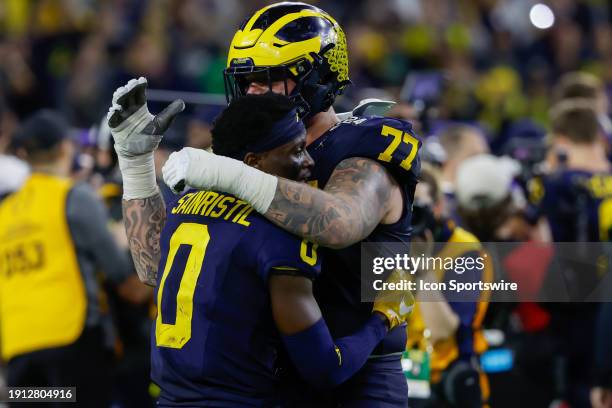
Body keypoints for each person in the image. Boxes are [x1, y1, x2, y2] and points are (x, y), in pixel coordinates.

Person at [161, 3, 421, 406]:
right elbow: (159, 263)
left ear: (318, 78)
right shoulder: (254, 151)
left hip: (356, 375)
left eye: (268, 79)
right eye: (246, 81)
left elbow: (339, 223)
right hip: (273, 373)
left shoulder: (364, 150)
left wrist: (229, 174)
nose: (252, 93)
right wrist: (136, 165)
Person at [107, 83, 410, 406]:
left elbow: (152, 268)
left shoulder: (186, 205)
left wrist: (136, 163)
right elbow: (327, 369)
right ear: (253, 161)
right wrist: (384, 319)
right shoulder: (281, 235)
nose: (308, 162)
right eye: (296, 150)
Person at [0, 110, 139, 407]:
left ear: (25, 155)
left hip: (18, 352)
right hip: (71, 344)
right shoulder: (74, 196)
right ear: (65, 147)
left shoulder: (4, 212)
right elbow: (120, 274)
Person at [407, 166, 491, 408]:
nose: (411, 216)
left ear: (439, 206)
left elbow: (443, 330)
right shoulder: (388, 243)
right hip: (402, 381)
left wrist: (422, 270)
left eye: (419, 207)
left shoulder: (466, 251)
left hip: (448, 385)